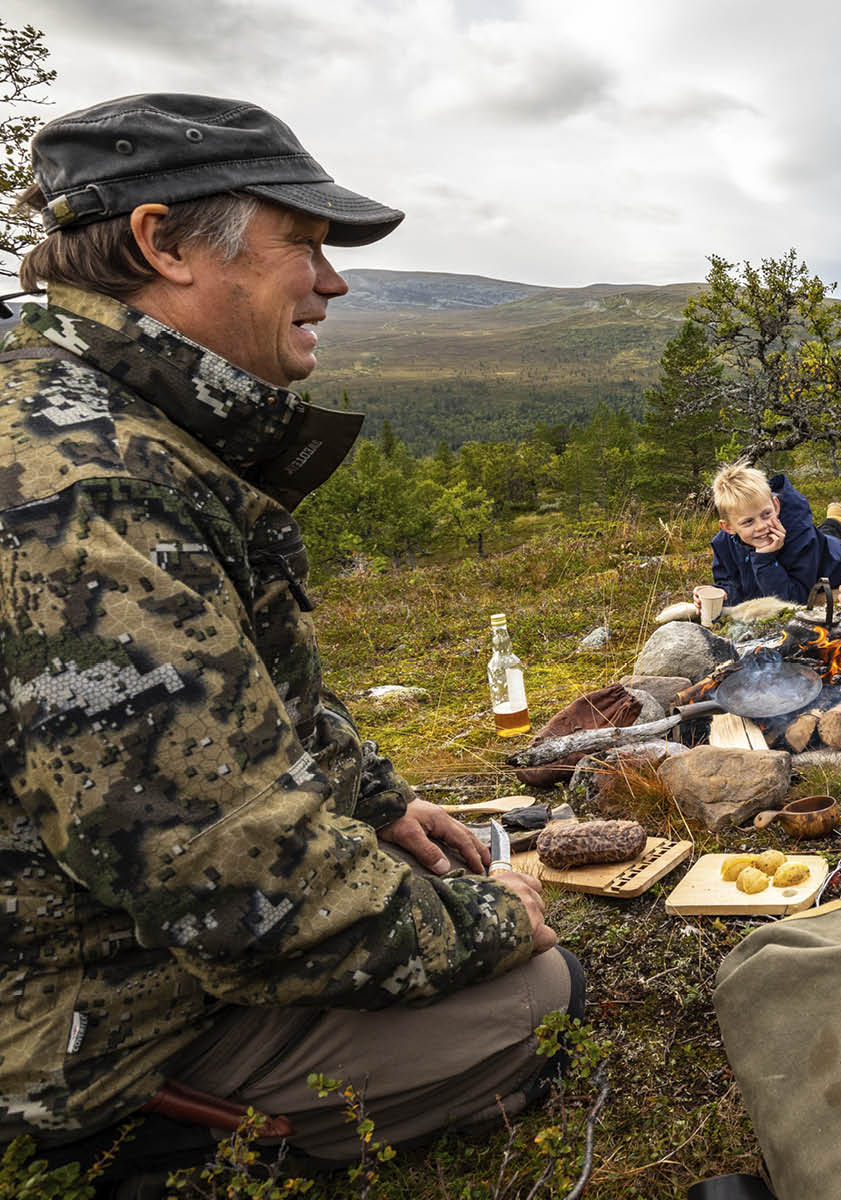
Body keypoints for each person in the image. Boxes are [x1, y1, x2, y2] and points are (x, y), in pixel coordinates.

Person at [0, 94, 578, 1173]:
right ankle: (128, 1149)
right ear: (161, 242)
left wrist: (382, 802)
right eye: (304, 246)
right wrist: (498, 919)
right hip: (78, 1032)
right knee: (536, 998)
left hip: (101, 943)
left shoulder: (104, 428)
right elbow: (239, 889)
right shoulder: (84, 501)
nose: (334, 281)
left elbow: (245, 706)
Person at [708, 461, 841, 605]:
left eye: (766, 514)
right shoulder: (724, 544)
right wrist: (722, 595)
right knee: (823, 534)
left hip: (833, 557)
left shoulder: (799, 534)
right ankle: (837, 520)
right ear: (728, 527)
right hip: (817, 541)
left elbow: (794, 601)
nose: (761, 526)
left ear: (776, 505)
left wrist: (765, 559)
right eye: (748, 522)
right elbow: (730, 584)